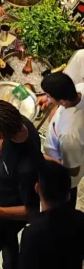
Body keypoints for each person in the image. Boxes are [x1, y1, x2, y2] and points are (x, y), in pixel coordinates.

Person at [0, 100, 44, 269]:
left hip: (8, 218)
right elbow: (1, 143)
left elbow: (32, 210)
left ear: (2, 132)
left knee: (7, 245)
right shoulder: (20, 124)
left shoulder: (27, 167)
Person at [41, 70, 84, 204]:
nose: (47, 99)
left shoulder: (69, 135)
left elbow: (72, 170)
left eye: (48, 96)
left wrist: (45, 158)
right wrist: (57, 109)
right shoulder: (80, 89)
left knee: (62, 202)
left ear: (63, 101)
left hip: (62, 177)